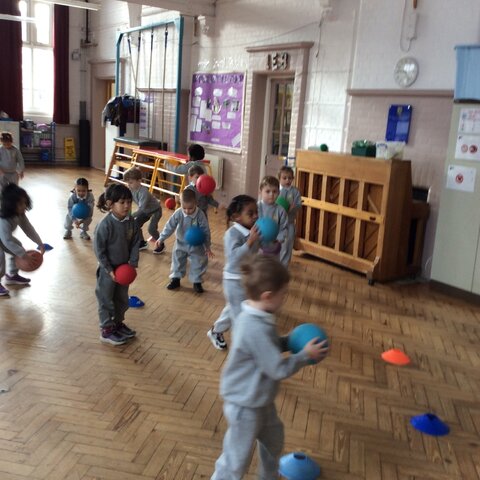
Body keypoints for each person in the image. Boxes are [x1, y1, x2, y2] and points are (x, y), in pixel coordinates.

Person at [211, 255, 329, 479]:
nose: (285, 298)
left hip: (260, 399)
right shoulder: (253, 327)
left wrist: (288, 341)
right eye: (283, 294)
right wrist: (305, 355)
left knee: (274, 441)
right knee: (235, 461)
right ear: (267, 296)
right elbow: (277, 369)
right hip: (245, 404)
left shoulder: (259, 314)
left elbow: (266, 348)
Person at [207, 195, 260, 350]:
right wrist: (249, 241)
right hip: (233, 281)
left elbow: (259, 247)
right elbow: (234, 257)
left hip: (247, 279)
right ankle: (241, 349)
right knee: (240, 315)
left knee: (234, 308)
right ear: (237, 217)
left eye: (256, 212)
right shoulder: (232, 234)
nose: (255, 216)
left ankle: (216, 331)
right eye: (250, 213)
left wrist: (271, 241)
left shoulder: (253, 230)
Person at [94, 184, 141, 346]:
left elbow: (136, 242)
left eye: (129, 202)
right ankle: (106, 330)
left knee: (121, 299)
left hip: (124, 270)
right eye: (122, 202)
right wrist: (108, 269)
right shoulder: (105, 225)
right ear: (110, 204)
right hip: (107, 271)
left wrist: (132, 263)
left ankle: (118, 323)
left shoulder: (131, 222)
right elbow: (99, 250)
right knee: (106, 299)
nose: (126, 206)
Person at [155, 188, 212, 294]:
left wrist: (207, 246)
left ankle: (197, 281)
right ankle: (175, 279)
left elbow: (206, 231)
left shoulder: (200, 215)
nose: (187, 211)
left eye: (190, 208)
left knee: (199, 262)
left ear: (196, 203)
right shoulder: (178, 213)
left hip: (197, 245)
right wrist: (161, 238)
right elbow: (170, 226)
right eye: (184, 207)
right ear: (180, 203)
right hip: (181, 243)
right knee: (177, 260)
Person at [0, 183, 45, 296]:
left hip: (3, 237)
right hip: (3, 237)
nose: (24, 206)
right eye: (20, 204)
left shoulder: (19, 214)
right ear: (10, 205)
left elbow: (28, 228)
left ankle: (12, 276)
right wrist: (24, 255)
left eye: (25, 202)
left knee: (18, 246)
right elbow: (7, 241)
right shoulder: (3, 220)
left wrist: (39, 243)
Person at [123, 166, 163, 254]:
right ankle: (142, 243)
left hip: (155, 210)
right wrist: (127, 215)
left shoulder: (144, 192)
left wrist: (131, 216)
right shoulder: (131, 190)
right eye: (127, 183)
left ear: (139, 181)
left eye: (131, 182)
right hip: (146, 211)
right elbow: (128, 204)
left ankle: (161, 244)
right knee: (136, 224)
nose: (128, 185)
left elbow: (141, 210)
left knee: (151, 229)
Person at [257, 175, 288, 263]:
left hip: (273, 246)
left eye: (274, 191)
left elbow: (284, 227)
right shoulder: (256, 207)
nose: (271, 194)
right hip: (257, 245)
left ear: (279, 193)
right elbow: (250, 224)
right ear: (260, 192)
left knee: (272, 266)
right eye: (268, 191)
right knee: (258, 266)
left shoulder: (281, 210)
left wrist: (279, 238)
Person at [278, 166, 302, 265]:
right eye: (284, 178)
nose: (287, 180)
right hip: (279, 224)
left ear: (293, 178)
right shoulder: (277, 191)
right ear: (279, 179)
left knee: (288, 245)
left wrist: (294, 207)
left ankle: (285, 266)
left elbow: (299, 205)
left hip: (290, 223)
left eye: (290, 178)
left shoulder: (295, 192)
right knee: (280, 245)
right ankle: (277, 264)